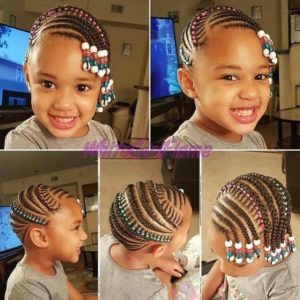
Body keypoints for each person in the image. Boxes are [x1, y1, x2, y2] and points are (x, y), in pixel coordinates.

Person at [162, 5, 277, 150]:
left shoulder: (256, 139)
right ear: (189, 83)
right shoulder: (183, 147)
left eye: (260, 76)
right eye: (230, 77)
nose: (251, 92)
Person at [5, 5, 118, 149]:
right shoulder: (23, 141)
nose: (64, 104)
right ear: (28, 77)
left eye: (81, 87)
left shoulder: (106, 136)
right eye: (48, 84)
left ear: (102, 86)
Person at [202, 173, 300, 300]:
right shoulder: (232, 252)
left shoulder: (288, 286)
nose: (224, 269)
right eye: (220, 257)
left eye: (238, 262)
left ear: (270, 245)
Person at [100, 180, 198, 300]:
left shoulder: (105, 242)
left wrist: (157, 261)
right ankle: (187, 259)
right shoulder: (155, 292)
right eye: (187, 230)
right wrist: (163, 277)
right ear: (159, 251)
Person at [5, 184, 97, 300]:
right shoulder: (25, 287)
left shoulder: (54, 264)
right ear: (41, 237)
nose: (84, 235)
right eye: (76, 227)